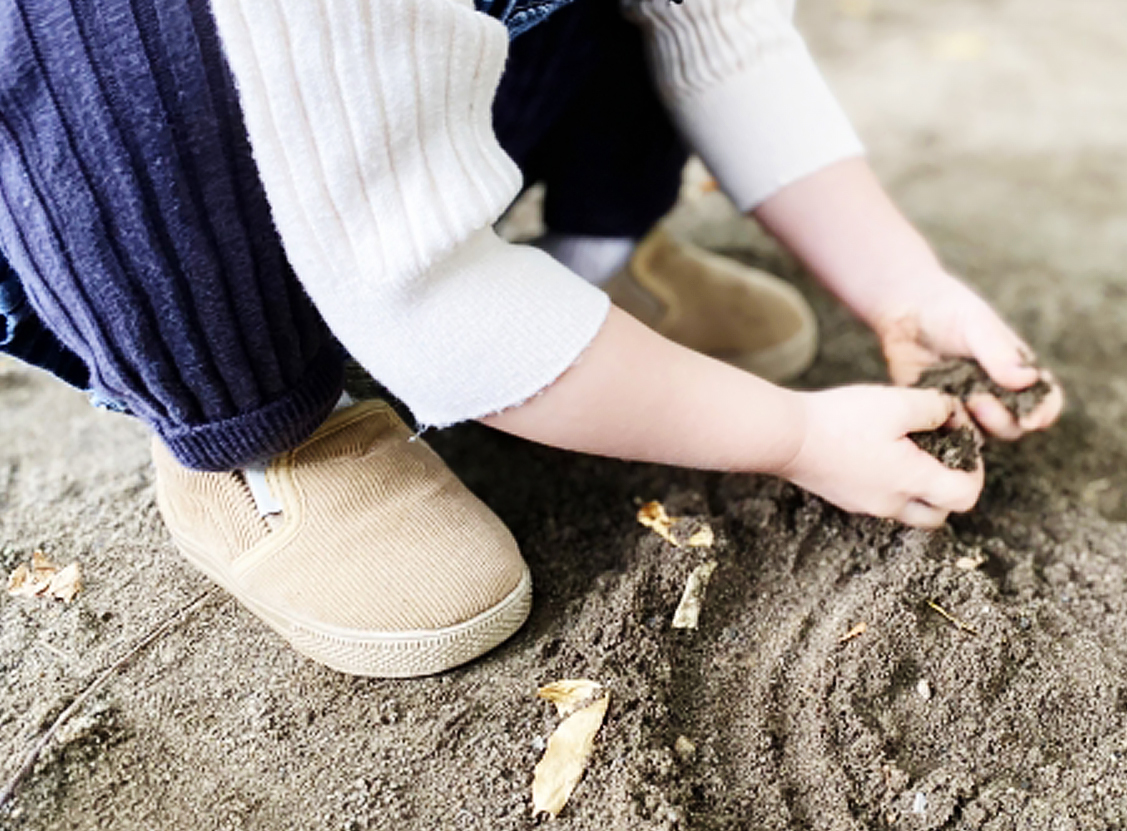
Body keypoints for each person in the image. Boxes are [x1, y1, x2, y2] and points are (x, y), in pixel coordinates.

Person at [0, 0, 1062, 678]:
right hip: (135, 137)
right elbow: (423, 293)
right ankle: (262, 432)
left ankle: (588, 267)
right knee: (144, 146)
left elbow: (719, 28)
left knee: (612, 23)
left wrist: (901, 285)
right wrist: (789, 434)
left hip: (381, 73)